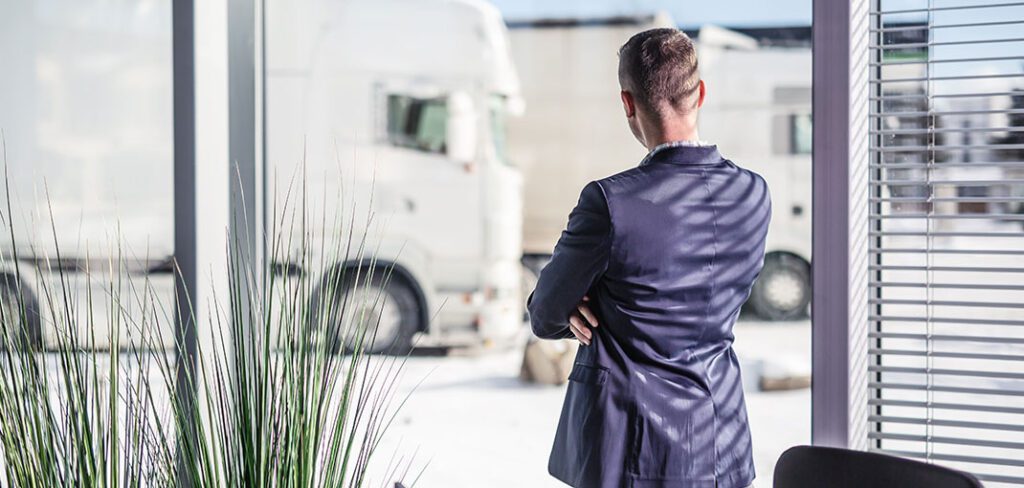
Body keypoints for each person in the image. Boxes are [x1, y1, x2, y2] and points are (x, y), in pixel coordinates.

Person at [527, 28, 770, 488]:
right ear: (699, 92)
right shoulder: (754, 194)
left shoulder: (609, 202)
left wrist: (582, 301)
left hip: (628, 449)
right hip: (722, 443)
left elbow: (544, 314)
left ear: (627, 103)